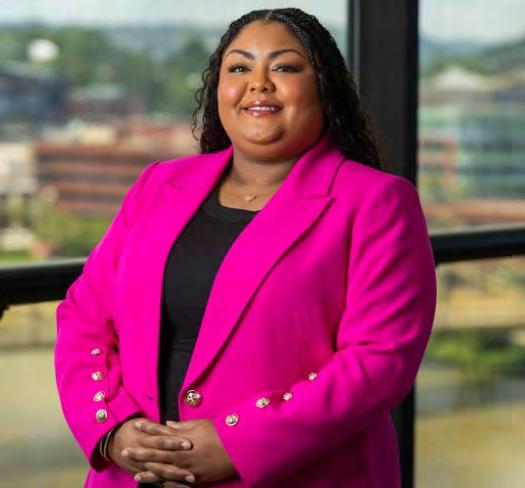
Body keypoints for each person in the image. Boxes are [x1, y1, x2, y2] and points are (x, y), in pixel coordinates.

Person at [55, 7, 437, 488]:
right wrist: (113, 428)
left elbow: (379, 361)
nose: (258, 83)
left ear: (324, 87)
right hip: (134, 474)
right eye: (239, 68)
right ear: (218, 88)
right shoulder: (159, 184)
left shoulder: (377, 202)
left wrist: (238, 443)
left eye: (285, 67)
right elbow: (84, 317)